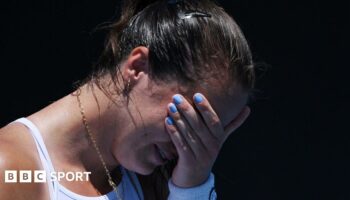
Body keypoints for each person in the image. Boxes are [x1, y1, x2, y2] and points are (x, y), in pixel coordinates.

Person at [0, 0, 255, 199]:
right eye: (191, 119)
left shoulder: (162, 180)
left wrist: (193, 186)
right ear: (138, 67)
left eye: (208, 133)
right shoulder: (10, 170)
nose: (189, 148)